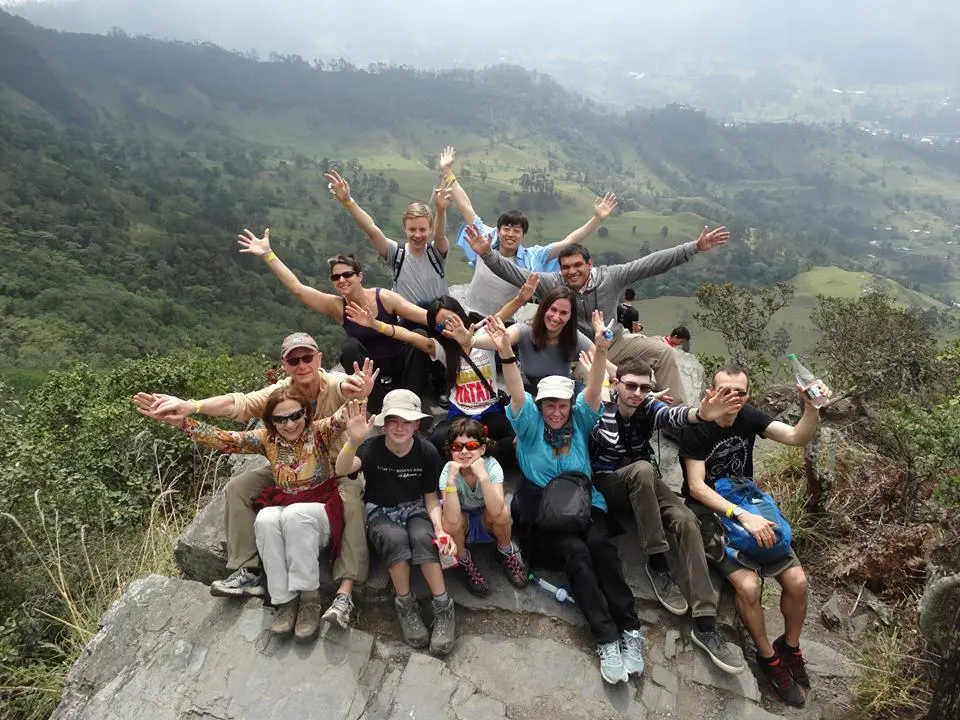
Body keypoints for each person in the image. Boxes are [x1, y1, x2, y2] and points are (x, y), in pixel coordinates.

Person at [132, 333, 373, 629]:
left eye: (307, 357)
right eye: (294, 359)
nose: (289, 422)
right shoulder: (270, 428)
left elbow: (346, 410)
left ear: (319, 358)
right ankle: (250, 573)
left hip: (335, 468)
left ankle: (341, 592)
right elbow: (231, 424)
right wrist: (186, 413)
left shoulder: (323, 416)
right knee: (244, 494)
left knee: (349, 502)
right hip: (287, 475)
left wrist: (361, 393)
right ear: (284, 365)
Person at [487, 311, 645, 685]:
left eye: (561, 404)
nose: (556, 411)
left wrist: (602, 352)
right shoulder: (527, 425)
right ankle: (606, 636)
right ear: (541, 406)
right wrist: (506, 354)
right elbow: (516, 391)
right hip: (548, 511)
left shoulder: (579, 419)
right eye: (550, 404)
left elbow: (592, 391)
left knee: (601, 548)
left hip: (589, 506)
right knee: (576, 553)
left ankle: (630, 630)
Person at [679, 364, 832, 708]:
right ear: (711, 392)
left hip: (746, 499)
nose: (734, 398)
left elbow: (797, 437)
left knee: (797, 582)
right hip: (711, 512)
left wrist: (812, 408)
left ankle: (790, 647)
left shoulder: (749, 416)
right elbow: (695, 487)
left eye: (741, 392)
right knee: (748, 587)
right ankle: (768, 658)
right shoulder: (697, 429)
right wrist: (741, 516)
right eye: (726, 391)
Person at [587, 358, 744, 674]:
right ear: (617, 383)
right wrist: (612, 397)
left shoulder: (650, 408)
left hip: (647, 483)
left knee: (687, 521)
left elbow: (673, 415)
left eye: (645, 388)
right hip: (611, 484)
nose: (637, 392)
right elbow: (609, 438)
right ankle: (658, 563)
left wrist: (700, 414)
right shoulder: (597, 407)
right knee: (643, 469)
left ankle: (705, 623)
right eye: (630, 385)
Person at [463, 225, 730, 405]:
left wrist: (694, 247)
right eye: (566, 267)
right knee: (593, 384)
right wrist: (486, 253)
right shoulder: (553, 283)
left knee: (663, 353)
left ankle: (673, 415)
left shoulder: (611, 277)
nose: (572, 271)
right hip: (581, 353)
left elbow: (651, 264)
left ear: (589, 264)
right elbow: (514, 274)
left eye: (578, 265)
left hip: (617, 342)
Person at [237, 228, 433, 412]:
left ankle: (411, 403)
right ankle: (378, 409)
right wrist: (268, 254)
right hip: (369, 374)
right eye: (336, 277)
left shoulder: (384, 298)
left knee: (419, 337)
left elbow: (425, 317)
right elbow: (298, 289)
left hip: (400, 365)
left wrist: (455, 329)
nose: (342, 280)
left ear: (359, 276)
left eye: (347, 274)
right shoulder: (337, 306)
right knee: (349, 348)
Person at [439, 146, 618, 318]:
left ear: (523, 235)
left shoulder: (533, 257)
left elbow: (569, 241)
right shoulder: (486, 239)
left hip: (505, 320)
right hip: (472, 311)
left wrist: (597, 219)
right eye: (506, 229)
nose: (510, 234)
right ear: (498, 230)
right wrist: (447, 170)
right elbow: (465, 205)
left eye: (516, 230)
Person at [343, 294, 516, 466]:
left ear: (460, 313)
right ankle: (478, 452)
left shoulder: (483, 336)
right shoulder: (441, 348)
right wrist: (374, 324)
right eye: (441, 326)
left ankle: (470, 454)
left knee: (514, 441)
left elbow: (503, 313)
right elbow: (408, 336)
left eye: (451, 320)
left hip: (490, 409)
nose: (448, 328)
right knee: (437, 440)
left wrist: (523, 296)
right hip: (460, 413)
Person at [357, 389, 456, 657]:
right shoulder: (369, 450)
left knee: (424, 538)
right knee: (394, 539)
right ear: (384, 424)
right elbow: (343, 469)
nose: (400, 427)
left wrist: (439, 528)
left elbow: (431, 499)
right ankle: (405, 605)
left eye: (407, 421)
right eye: (393, 420)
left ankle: (443, 607)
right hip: (380, 509)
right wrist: (350, 442)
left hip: (415, 508)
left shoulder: (426, 452)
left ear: (416, 424)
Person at [324, 169, 449, 307]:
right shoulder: (396, 254)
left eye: (423, 229)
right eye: (412, 229)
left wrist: (441, 210)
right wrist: (348, 201)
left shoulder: (436, 252)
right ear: (404, 229)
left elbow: (440, 236)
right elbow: (371, 230)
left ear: (430, 229)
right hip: (408, 325)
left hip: (441, 322)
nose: (417, 235)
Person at [471, 278, 615, 395]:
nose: (556, 317)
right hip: (530, 391)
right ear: (543, 309)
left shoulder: (574, 337)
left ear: (570, 317)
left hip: (562, 394)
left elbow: (607, 365)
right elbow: (494, 342)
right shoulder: (525, 330)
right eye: (552, 309)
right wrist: (469, 340)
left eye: (564, 313)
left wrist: (623, 377)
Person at [438, 417, 528, 595]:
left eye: (471, 446)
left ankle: (504, 551)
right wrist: (451, 481)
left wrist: (483, 477)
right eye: (457, 447)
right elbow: (451, 519)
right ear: (451, 451)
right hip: (463, 520)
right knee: (450, 523)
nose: (464, 452)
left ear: (482, 449)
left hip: (486, 516)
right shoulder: (448, 472)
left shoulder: (492, 466)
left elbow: (496, 510)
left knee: (502, 514)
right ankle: (463, 559)